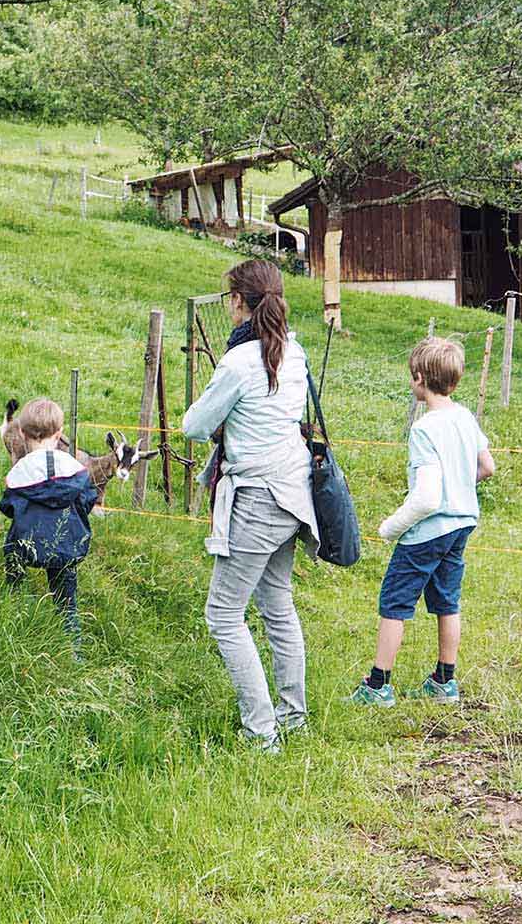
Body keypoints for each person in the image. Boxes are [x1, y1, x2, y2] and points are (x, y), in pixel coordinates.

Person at [181, 259, 317, 753]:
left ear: (238, 303)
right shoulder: (294, 353)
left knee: (223, 614)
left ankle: (262, 732)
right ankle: (292, 716)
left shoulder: (239, 363)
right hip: (293, 494)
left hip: (258, 499)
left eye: (227, 298)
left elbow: (194, 425)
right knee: (277, 602)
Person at [351, 336, 495, 706]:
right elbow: (487, 467)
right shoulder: (464, 416)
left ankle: (378, 685)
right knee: (448, 601)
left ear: (418, 377)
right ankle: (444, 681)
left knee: (395, 603)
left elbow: (428, 498)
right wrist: (460, 487)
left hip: (427, 531)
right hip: (462, 523)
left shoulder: (424, 428)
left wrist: (390, 527)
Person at [0, 397, 100, 648]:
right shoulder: (77, 470)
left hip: (27, 546)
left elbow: (7, 507)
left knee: (13, 563)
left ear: (21, 432)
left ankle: (12, 627)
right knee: (68, 606)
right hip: (66, 546)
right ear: (60, 433)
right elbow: (88, 500)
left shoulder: (18, 474)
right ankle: (74, 653)